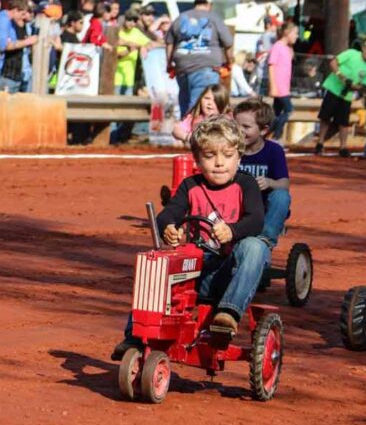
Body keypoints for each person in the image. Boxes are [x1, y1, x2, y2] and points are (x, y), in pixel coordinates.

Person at [111, 116, 270, 359]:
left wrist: (232, 231)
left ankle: (228, 315)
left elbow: (256, 219)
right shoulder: (190, 186)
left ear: (238, 158)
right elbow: (168, 215)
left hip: (232, 270)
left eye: (227, 156)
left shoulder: (245, 184)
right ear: (197, 160)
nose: (219, 163)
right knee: (157, 262)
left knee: (255, 246)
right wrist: (169, 228)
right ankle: (134, 336)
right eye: (210, 156)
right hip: (198, 269)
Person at [166, 0, 234, 120]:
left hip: (182, 68)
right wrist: (229, 62)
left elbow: (169, 42)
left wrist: (169, 64)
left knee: (185, 103)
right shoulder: (214, 18)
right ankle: (196, 136)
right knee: (200, 106)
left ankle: (185, 133)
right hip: (205, 68)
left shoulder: (181, 17)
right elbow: (228, 43)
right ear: (209, 4)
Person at [235, 98, 291, 248]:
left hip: (263, 207)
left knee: (281, 195)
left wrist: (269, 182)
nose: (240, 131)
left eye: (246, 127)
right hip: (234, 206)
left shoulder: (274, 151)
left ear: (264, 130)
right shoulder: (230, 149)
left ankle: (265, 240)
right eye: (236, 126)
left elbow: (284, 184)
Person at [314, 39, 366, 157]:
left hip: (347, 95)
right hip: (333, 88)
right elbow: (333, 62)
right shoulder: (351, 53)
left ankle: (343, 147)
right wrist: (341, 77)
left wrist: (354, 86)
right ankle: (320, 143)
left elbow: (362, 86)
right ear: (363, 48)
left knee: (343, 122)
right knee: (325, 117)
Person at [110, 10, 150, 144]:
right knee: (114, 110)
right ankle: (112, 138)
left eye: (134, 21)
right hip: (116, 79)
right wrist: (130, 49)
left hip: (129, 79)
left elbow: (149, 43)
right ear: (124, 20)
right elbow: (116, 54)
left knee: (124, 112)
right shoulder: (118, 32)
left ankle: (121, 137)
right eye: (129, 20)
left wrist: (142, 47)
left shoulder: (136, 33)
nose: (131, 23)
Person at [0, 0, 38, 94]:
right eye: (22, 14)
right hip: (1, 71)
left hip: (6, 71)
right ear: (15, 10)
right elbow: (3, 46)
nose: (23, 17)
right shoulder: (4, 20)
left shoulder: (8, 21)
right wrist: (27, 42)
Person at [268, 21, 298, 140]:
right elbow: (271, 66)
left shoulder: (287, 48)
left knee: (276, 113)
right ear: (287, 33)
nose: (296, 36)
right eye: (295, 33)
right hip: (280, 87)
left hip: (284, 87)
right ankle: (276, 136)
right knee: (289, 110)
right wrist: (273, 86)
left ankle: (266, 136)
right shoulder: (278, 46)